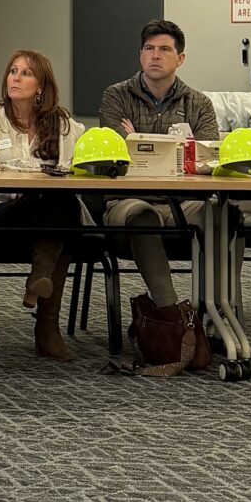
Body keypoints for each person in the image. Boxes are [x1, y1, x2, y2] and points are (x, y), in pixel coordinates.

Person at [91, 20, 218, 361]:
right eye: (149, 49)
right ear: (140, 55)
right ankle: (171, 317)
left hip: (182, 201)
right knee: (142, 215)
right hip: (128, 201)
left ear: (180, 59)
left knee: (224, 215)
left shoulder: (199, 103)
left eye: (164, 49)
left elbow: (207, 159)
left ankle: (221, 313)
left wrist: (139, 140)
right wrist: (176, 149)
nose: (155, 56)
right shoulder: (116, 96)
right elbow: (116, 154)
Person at [0, 50, 85, 361]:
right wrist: (12, 192)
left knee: (60, 200)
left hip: (50, 218)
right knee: (55, 213)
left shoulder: (64, 124)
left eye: (26, 73)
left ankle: (40, 280)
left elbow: (76, 172)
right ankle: (47, 327)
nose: (15, 78)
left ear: (41, 85)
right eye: (13, 71)